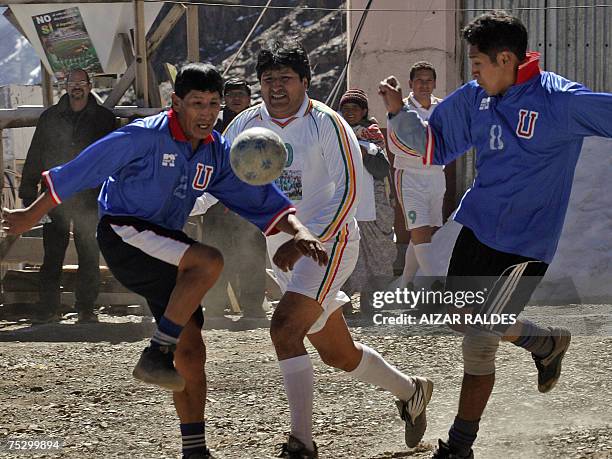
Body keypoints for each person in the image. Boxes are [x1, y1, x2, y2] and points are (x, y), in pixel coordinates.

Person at [4, 63, 327, 459]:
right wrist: (29, 216)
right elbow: (81, 170)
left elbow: (259, 197)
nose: (207, 113)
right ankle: (156, 351)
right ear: (175, 103)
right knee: (209, 261)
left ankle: (194, 449)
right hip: (125, 230)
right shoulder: (142, 136)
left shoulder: (216, 150)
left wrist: (299, 231)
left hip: (165, 244)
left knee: (192, 352)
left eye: (214, 104)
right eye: (196, 103)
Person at [379, 10, 612, 458]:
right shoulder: (475, 97)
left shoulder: (560, 101)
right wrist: (397, 113)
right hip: (478, 228)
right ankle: (543, 340)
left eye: (478, 64)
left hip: (526, 243)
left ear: (506, 59)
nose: (473, 73)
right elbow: (431, 146)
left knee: (480, 337)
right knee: (463, 318)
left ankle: (458, 447)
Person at [223, 39, 433, 458]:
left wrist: (311, 239)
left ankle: (302, 442)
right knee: (338, 353)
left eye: (285, 78)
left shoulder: (327, 123)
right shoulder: (246, 124)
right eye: (268, 79)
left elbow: (351, 189)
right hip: (281, 248)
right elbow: (216, 178)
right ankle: (411, 391)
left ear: (305, 81)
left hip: (327, 244)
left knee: (284, 329)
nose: (276, 87)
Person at [18, 68, 116, 324]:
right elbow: (36, 152)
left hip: (89, 196)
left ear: (89, 85)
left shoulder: (104, 119)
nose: (77, 87)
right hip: (54, 194)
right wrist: (28, 190)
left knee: (89, 252)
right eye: (72, 83)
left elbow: (112, 157)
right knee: (52, 253)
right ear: (65, 85)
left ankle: (86, 308)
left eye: (81, 83)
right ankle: (48, 308)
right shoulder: (50, 117)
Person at [203, 77, 268, 319]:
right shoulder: (211, 127)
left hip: (251, 200)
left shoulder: (263, 125)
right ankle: (215, 306)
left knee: (252, 254)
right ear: (223, 100)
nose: (236, 98)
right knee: (216, 254)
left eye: (241, 93)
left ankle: (252, 307)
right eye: (230, 94)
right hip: (216, 201)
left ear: (249, 98)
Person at [384, 61, 446, 290]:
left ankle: (405, 284)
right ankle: (437, 284)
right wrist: (431, 150)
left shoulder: (442, 109)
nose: (424, 85)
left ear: (435, 83)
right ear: (410, 83)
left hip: (436, 178)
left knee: (424, 232)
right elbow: (395, 144)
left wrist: (434, 150)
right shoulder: (400, 109)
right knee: (419, 230)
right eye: (419, 80)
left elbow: (450, 139)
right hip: (409, 176)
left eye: (429, 80)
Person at [338, 89, 395, 317]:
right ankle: (342, 304)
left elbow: (381, 169)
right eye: (346, 108)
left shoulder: (373, 135)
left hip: (373, 207)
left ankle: (372, 304)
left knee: (379, 256)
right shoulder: (335, 134)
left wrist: (362, 150)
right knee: (346, 256)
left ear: (364, 111)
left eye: (355, 108)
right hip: (345, 207)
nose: (350, 112)